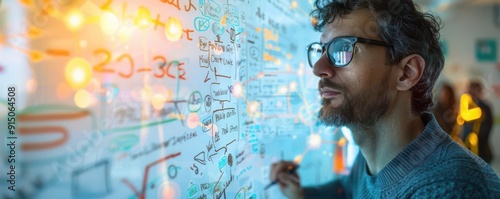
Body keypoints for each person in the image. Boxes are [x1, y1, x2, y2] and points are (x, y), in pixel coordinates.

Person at [269, 0, 500, 198]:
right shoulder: (373, 153)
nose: (319, 68)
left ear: (406, 73)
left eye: (342, 49)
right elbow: (348, 191)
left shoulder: (451, 187)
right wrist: (301, 193)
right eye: (322, 49)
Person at [461, 80, 494, 163]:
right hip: (467, 145)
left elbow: (488, 125)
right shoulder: (465, 106)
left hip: (481, 146)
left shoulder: (485, 107)